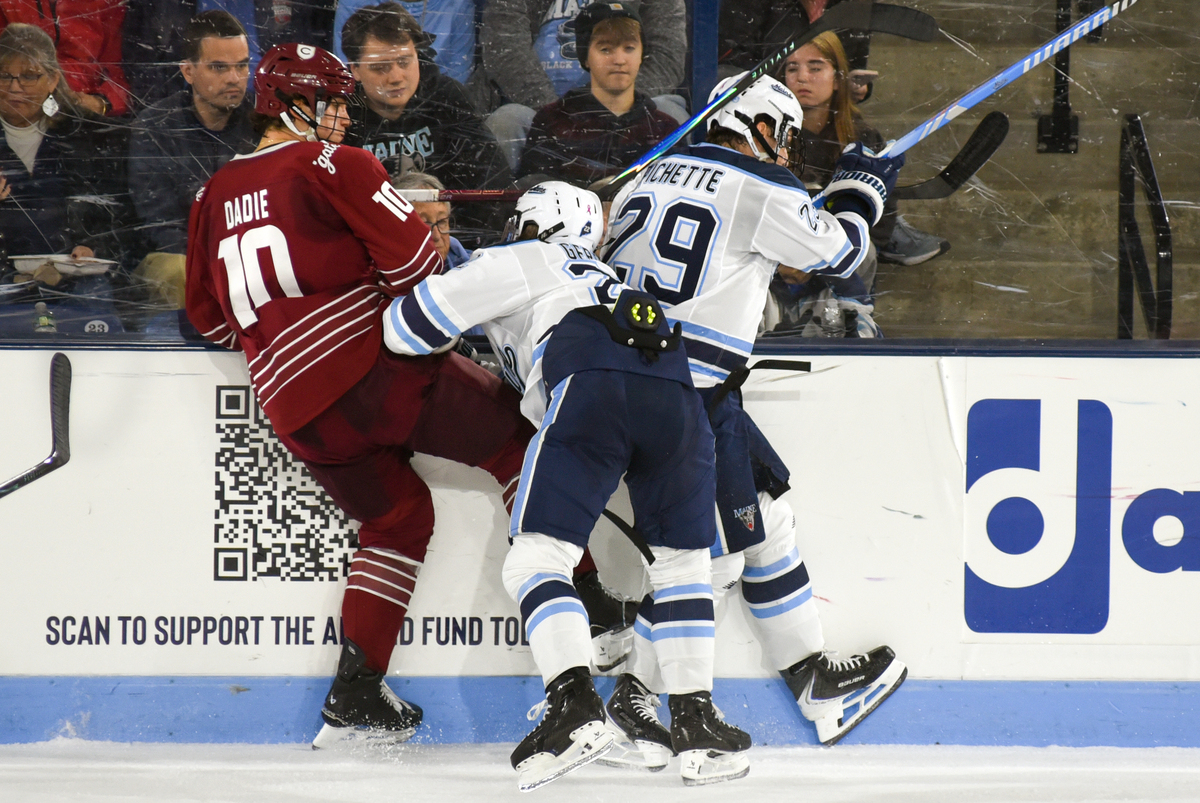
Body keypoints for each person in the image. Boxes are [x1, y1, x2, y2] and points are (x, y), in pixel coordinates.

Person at [185, 42, 536, 749]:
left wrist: (287, 327)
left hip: (296, 411)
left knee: (400, 518)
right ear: (292, 103)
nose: (343, 116)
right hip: (376, 374)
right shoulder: (333, 164)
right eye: (332, 101)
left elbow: (211, 320)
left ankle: (354, 695)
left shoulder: (212, 192)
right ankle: (589, 611)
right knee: (519, 442)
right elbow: (417, 261)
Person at [383, 181, 751, 789]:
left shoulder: (520, 259)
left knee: (535, 558)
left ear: (532, 223)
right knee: (684, 565)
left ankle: (573, 708)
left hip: (593, 384)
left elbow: (406, 329)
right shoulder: (614, 279)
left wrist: (458, 279)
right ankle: (698, 727)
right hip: (676, 391)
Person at [598, 72, 907, 759]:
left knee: (764, 516)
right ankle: (636, 703)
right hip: (684, 396)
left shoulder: (645, 177)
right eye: (785, 132)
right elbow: (839, 254)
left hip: (647, 384)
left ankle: (811, 677)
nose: (789, 149)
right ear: (756, 123)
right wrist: (860, 194)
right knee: (703, 563)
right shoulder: (759, 185)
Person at [340, 2, 512, 247]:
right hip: (369, 247)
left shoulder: (447, 98)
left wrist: (450, 241)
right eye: (381, 68)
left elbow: (490, 184)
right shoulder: (340, 114)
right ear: (354, 69)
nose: (396, 77)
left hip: (451, 241)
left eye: (405, 62)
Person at [781, 31, 948, 269]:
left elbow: (880, 218)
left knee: (865, 251)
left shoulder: (864, 136)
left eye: (815, 68)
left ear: (839, 79)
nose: (802, 78)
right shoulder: (769, 132)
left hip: (841, 257)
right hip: (779, 253)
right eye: (792, 68)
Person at [127, 10, 256, 308]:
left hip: (248, 255)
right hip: (178, 256)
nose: (234, 79)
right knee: (177, 272)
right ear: (188, 72)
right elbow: (159, 225)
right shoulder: (155, 127)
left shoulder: (263, 122)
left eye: (242, 66)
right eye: (218, 68)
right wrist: (220, 263)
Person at [480, 0, 688, 172]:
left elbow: (667, 55)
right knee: (505, 122)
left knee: (673, 116)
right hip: (537, 109)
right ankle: (500, 218)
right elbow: (504, 48)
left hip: (630, 107)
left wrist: (621, 108)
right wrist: (560, 114)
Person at [0, 24, 126, 286]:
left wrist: (94, 248)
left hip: (79, 276)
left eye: (29, 76)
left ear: (53, 80)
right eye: (4, 76)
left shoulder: (87, 132)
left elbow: (118, 211)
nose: (15, 87)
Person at [0, 0, 131, 117]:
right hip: (16, 103)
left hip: (81, 113)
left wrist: (102, 102)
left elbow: (118, 72)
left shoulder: (109, 4)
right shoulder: (8, 4)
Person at [333, 0, 478, 85]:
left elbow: (458, 76)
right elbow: (346, 73)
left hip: (436, 110)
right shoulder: (352, 3)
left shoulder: (459, 4)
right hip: (370, 108)